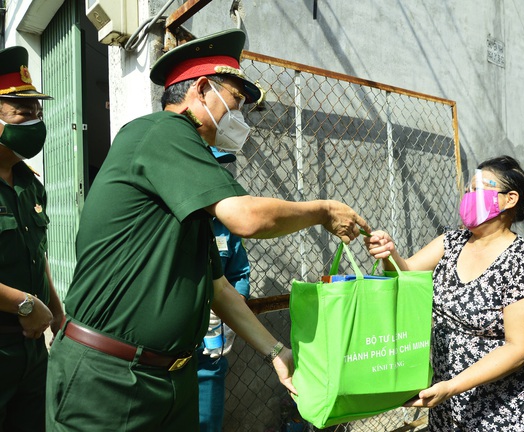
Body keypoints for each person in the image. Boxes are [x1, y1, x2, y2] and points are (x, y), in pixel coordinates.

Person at [45, 28, 370, 431]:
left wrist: (275, 352)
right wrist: (322, 210)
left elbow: (216, 287)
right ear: (201, 89)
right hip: (109, 379)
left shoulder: (185, 194)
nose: (239, 117)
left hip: (168, 379)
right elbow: (247, 217)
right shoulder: (160, 132)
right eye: (236, 101)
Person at [365, 155, 524, 431]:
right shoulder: (450, 242)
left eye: (478, 190)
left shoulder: (522, 263)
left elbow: (522, 349)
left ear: (509, 199)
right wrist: (388, 253)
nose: (468, 196)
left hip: (498, 408)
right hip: (446, 403)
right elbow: (405, 277)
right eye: (467, 190)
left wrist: (452, 386)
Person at [0, 46, 64, 432]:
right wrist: (26, 305)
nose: (35, 121)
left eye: (37, 111)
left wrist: (55, 312)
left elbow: (37, 256)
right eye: (22, 111)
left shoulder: (28, 184)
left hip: (30, 351)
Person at [198, 148, 251, 432]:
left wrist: (232, 313)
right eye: (210, 164)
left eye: (220, 167)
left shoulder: (225, 226)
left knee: (208, 421)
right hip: (165, 351)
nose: (217, 174)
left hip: (210, 347)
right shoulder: (166, 217)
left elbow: (239, 273)